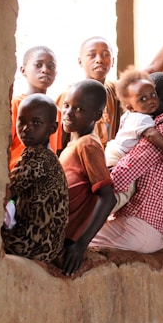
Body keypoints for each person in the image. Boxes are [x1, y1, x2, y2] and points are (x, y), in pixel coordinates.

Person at [56, 0, 163, 150]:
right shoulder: (69, 94)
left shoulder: (115, 91)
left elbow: (153, 68)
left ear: (112, 62)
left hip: (109, 166)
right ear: (79, 61)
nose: (99, 59)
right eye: (92, 55)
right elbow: (59, 139)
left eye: (106, 55)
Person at [90, 72, 163, 253]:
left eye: (150, 94)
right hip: (156, 228)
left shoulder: (160, 132)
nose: (147, 99)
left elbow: (125, 173)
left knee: (78, 236)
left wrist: (90, 193)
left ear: (158, 98)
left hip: (142, 227)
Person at [1, 94, 69, 263]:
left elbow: (6, 190)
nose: (26, 128)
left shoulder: (37, 157)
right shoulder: (46, 154)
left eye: (36, 123)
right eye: (21, 121)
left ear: (53, 128)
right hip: (49, 245)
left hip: (33, 244)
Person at [105, 68, 163, 210]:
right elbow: (152, 135)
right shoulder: (144, 120)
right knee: (120, 196)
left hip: (112, 150)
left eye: (153, 95)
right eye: (143, 99)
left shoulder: (130, 115)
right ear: (130, 106)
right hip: (119, 156)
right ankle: (99, 213)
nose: (151, 101)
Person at [58, 79, 117, 276]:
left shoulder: (88, 146)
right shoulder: (74, 143)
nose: (68, 112)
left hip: (66, 237)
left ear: (96, 115)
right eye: (66, 105)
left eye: (79, 109)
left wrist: (80, 245)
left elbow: (108, 197)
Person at [9, 46, 61, 171]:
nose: (45, 70)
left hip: (44, 175)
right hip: (19, 175)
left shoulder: (56, 111)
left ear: (56, 74)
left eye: (51, 66)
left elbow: (55, 149)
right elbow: (5, 145)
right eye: (38, 65)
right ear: (23, 70)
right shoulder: (16, 104)